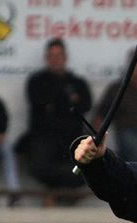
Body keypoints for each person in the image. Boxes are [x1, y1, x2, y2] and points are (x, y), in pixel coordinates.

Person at [24, 38, 91, 190]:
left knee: (82, 168)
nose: (55, 60)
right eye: (51, 56)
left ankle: (57, 194)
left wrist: (54, 105)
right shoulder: (36, 81)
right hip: (44, 136)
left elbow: (85, 105)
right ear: (46, 58)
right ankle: (57, 192)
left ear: (65, 57)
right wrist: (67, 102)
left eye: (58, 55)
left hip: (71, 137)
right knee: (40, 165)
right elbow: (38, 102)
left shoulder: (77, 82)